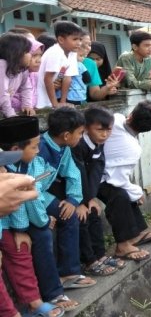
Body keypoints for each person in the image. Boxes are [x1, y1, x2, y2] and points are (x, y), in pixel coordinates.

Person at [0, 116, 69, 317]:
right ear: (16, 150)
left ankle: (34, 302)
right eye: (36, 146)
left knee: (19, 247)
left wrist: (17, 230)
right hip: (7, 223)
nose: (39, 151)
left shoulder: (26, 165)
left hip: (6, 223)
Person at [37, 107, 98, 292]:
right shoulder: (39, 149)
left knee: (70, 214)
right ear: (66, 135)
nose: (81, 137)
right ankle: (63, 277)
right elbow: (32, 187)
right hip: (30, 196)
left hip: (41, 194)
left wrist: (73, 200)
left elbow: (72, 173)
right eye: (79, 133)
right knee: (59, 220)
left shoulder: (62, 148)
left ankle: (68, 273)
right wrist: (42, 215)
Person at [99, 101, 151, 262]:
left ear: (131, 115)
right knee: (120, 195)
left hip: (101, 170)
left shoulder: (117, 118)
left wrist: (134, 192)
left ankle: (137, 234)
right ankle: (122, 245)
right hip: (96, 176)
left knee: (129, 191)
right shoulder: (132, 148)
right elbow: (117, 181)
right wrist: (137, 193)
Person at [72, 106, 124, 277]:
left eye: (108, 130)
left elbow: (96, 170)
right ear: (86, 128)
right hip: (71, 192)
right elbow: (76, 174)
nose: (105, 134)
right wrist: (83, 200)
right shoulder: (77, 145)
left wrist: (91, 198)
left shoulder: (98, 143)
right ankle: (89, 261)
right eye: (100, 130)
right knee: (83, 219)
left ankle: (100, 255)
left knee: (95, 214)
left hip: (86, 192)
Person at [36, 21, 83, 109]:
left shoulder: (72, 52)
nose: (79, 43)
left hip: (50, 97)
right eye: (75, 39)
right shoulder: (55, 52)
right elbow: (48, 78)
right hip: (39, 97)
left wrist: (62, 102)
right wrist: (55, 104)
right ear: (61, 40)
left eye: (80, 39)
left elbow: (67, 77)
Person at [117, 31, 151, 96]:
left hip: (138, 94)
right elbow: (131, 83)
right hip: (120, 95)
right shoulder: (126, 58)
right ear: (135, 47)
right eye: (146, 45)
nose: (150, 49)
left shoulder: (150, 59)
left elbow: (145, 80)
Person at [0, 33, 34, 117]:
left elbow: (26, 87)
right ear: (16, 53)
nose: (31, 55)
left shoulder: (22, 69)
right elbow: (2, 93)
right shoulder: (2, 65)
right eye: (27, 52)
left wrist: (27, 105)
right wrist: (11, 115)